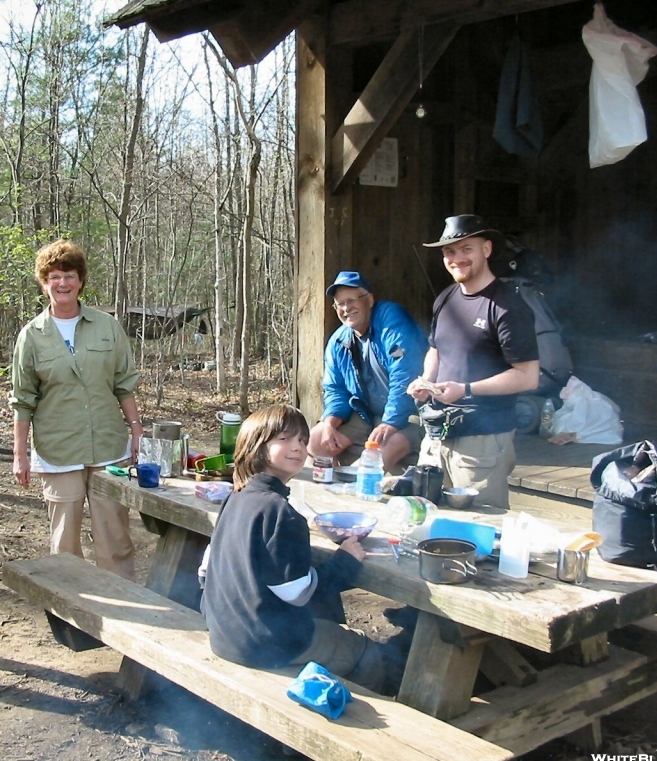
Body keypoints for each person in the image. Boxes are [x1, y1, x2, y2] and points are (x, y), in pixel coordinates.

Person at [200, 405, 385, 692]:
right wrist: (346, 562)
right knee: (368, 653)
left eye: (301, 440)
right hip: (263, 644)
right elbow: (297, 593)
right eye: (284, 439)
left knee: (325, 620)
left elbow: (207, 566)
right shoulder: (280, 513)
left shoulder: (237, 497)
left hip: (224, 632)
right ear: (257, 446)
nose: (297, 448)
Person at [10, 239, 142, 581]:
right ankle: (74, 611)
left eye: (69, 275)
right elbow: (23, 399)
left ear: (81, 280)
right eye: (54, 276)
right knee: (64, 542)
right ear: (44, 282)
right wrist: (20, 454)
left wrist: (137, 430)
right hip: (57, 450)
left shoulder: (107, 327)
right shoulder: (32, 336)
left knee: (115, 537)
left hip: (109, 448)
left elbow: (123, 383)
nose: (63, 283)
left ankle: (124, 605)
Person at [407, 215, 539, 508]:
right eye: (449, 252)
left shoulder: (508, 307)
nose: (457, 259)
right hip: (435, 437)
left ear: (487, 249)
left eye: (466, 249)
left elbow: (528, 376)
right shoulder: (445, 299)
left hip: (483, 442)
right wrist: (426, 380)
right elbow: (436, 349)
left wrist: (465, 389)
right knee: (425, 518)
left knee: (479, 530)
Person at [308, 271, 428, 471]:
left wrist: (390, 422)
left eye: (352, 300)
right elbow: (335, 389)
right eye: (340, 304)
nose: (346, 308)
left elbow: (404, 373)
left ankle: (357, 492)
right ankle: (328, 490)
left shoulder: (390, 318)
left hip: (409, 413)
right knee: (317, 439)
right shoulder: (339, 341)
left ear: (369, 300)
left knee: (374, 458)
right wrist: (330, 421)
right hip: (366, 413)